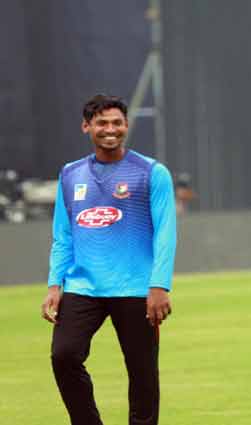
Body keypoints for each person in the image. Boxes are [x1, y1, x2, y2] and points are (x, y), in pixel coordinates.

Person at [40, 94, 178, 425]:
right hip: (83, 286)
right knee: (64, 356)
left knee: (142, 372)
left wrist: (159, 285)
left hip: (135, 288)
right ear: (86, 127)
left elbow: (165, 233)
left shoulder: (151, 172)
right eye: (101, 123)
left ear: (126, 126)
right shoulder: (70, 174)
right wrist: (55, 284)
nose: (110, 129)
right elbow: (64, 235)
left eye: (117, 122)